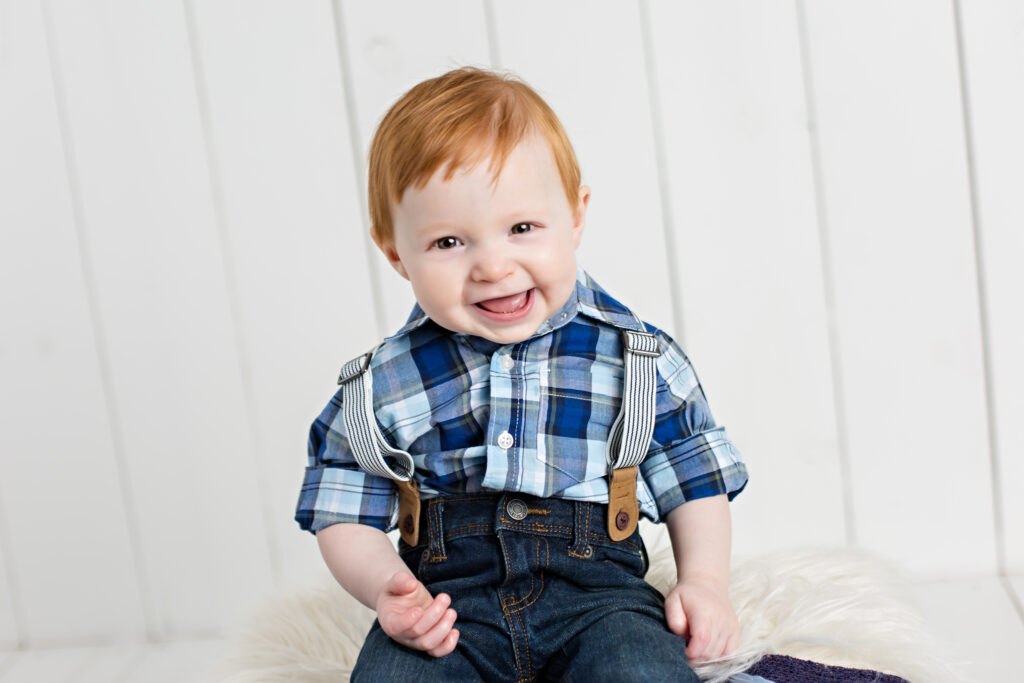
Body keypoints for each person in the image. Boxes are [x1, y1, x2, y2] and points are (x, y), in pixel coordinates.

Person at [295, 67, 749, 682]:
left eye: (522, 229)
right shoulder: (384, 382)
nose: (492, 265)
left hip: (601, 602)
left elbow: (695, 480)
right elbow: (343, 507)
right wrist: (388, 590)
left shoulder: (636, 359)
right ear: (396, 253)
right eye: (450, 242)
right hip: (448, 612)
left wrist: (704, 582)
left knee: (642, 671)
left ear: (575, 215)